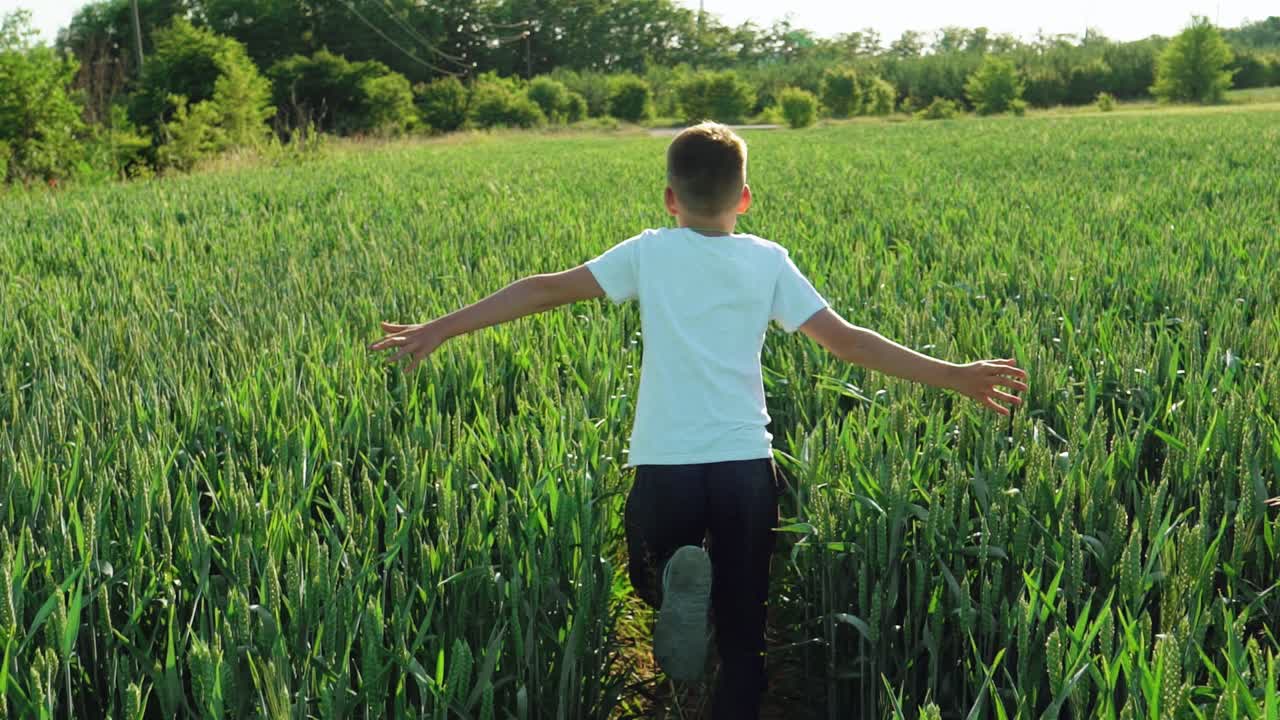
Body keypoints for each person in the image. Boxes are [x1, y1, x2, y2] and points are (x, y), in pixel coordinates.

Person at [369, 122, 1028, 719]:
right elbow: (848, 340)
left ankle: (670, 600)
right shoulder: (768, 260)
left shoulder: (649, 253)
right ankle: (729, 667)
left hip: (664, 463)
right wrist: (955, 375)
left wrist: (440, 327)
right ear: (745, 198)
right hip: (744, 465)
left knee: (653, 575)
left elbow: (544, 287)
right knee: (747, 627)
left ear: (669, 199)